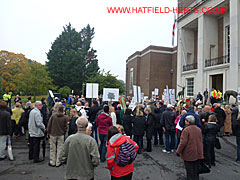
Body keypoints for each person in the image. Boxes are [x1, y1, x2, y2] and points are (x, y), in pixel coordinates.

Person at [176, 115, 204, 180]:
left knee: (190, 170)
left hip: (189, 152)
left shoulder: (186, 130)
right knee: (196, 169)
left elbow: (183, 142)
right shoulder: (198, 129)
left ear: (188, 122)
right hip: (197, 151)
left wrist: (178, 151)